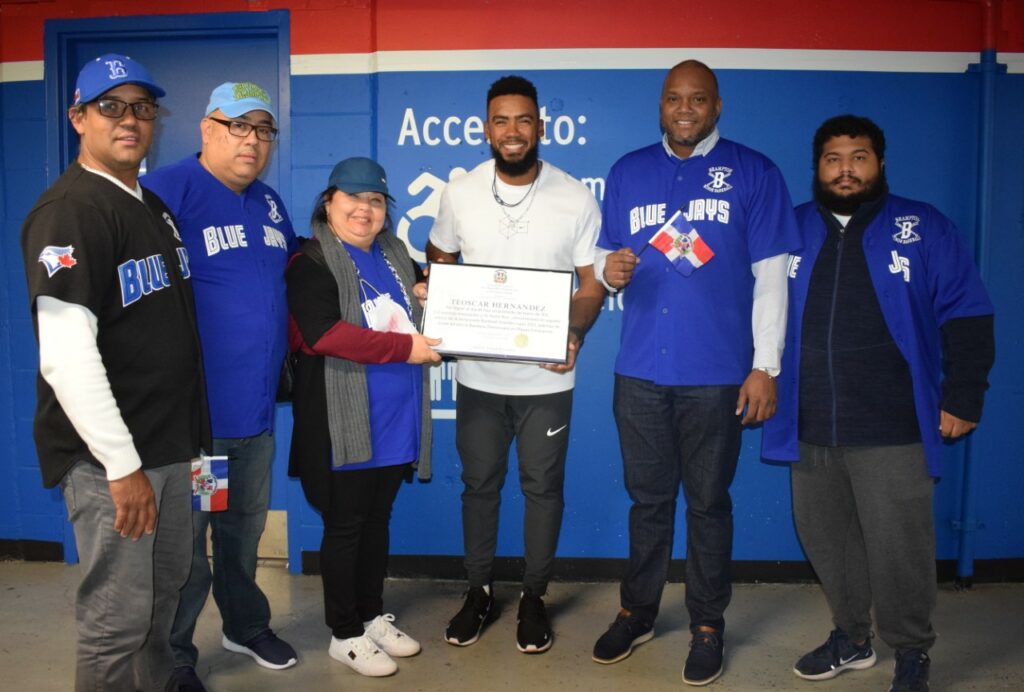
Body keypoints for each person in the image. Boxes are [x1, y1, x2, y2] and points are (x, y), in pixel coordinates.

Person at [762, 115, 995, 692]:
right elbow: (755, 313)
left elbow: (967, 312)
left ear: (880, 163)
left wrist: (963, 395)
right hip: (810, 421)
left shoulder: (923, 228)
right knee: (825, 540)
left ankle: (912, 649)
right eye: (833, 159)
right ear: (816, 167)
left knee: (900, 549)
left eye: (858, 157)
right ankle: (852, 637)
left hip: (894, 425)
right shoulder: (789, 229)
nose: (845, 169)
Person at [591, 59, 801, 685]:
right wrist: (608, 274)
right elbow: (605, 258)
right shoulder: (628, 171)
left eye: (698, 99)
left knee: (708, 504)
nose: (685, 109)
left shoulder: (753, 172)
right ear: (660, 105)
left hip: (716, 374)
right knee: (648, 502)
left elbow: (771, 279)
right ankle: (639, 610)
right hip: (640, 373)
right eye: (674, 98)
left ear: (717, 106)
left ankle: (708, 623)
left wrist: (766, 366)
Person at [19, 54, 210, 692]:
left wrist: (186, 448)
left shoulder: (148, 205)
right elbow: (66, 354)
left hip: (167, 446)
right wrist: (121, 466)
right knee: (116, 621)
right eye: (110, 107)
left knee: (161, 602)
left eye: (142, 108)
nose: (129, 120)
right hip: (114, 462)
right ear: (79, 117)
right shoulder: (71, 211)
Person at [426, 74, 605, 654]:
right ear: (485, 129)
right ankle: (478, 591)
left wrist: (572, 332)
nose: (512, 131)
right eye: (501, 120)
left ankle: (533, 595)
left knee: (543, 488)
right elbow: (440, 254)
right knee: (479, 487)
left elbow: (590, 283)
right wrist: (443, 297)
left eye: (523, 120)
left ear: (540, 127)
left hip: (548, 379)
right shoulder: (460, 193)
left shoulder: (575, 196)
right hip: (478, 377)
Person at [142, 81, 299, 689]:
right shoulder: (165, 192)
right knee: (189, 545)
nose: (252, 141)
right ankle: (176, 654)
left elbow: (297, 269)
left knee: (243, 532)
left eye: (263, 130)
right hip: (198, 424)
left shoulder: (269, 204)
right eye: (239, 127)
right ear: (207, 129)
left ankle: (244, 623)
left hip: (255, 415)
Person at [287, 157, 441, 677]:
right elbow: (323, 334)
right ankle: (344, 632)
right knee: (347, 526)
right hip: (343, 420)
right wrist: (405, 347)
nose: (364, 209)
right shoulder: (310, 262)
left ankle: (371, 615)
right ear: (328, 202)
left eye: (375, 201)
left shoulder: (395, 254)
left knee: (377, 522)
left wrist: (427, 294)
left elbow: (419, 314)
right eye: (352, 198)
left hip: (396, 418)